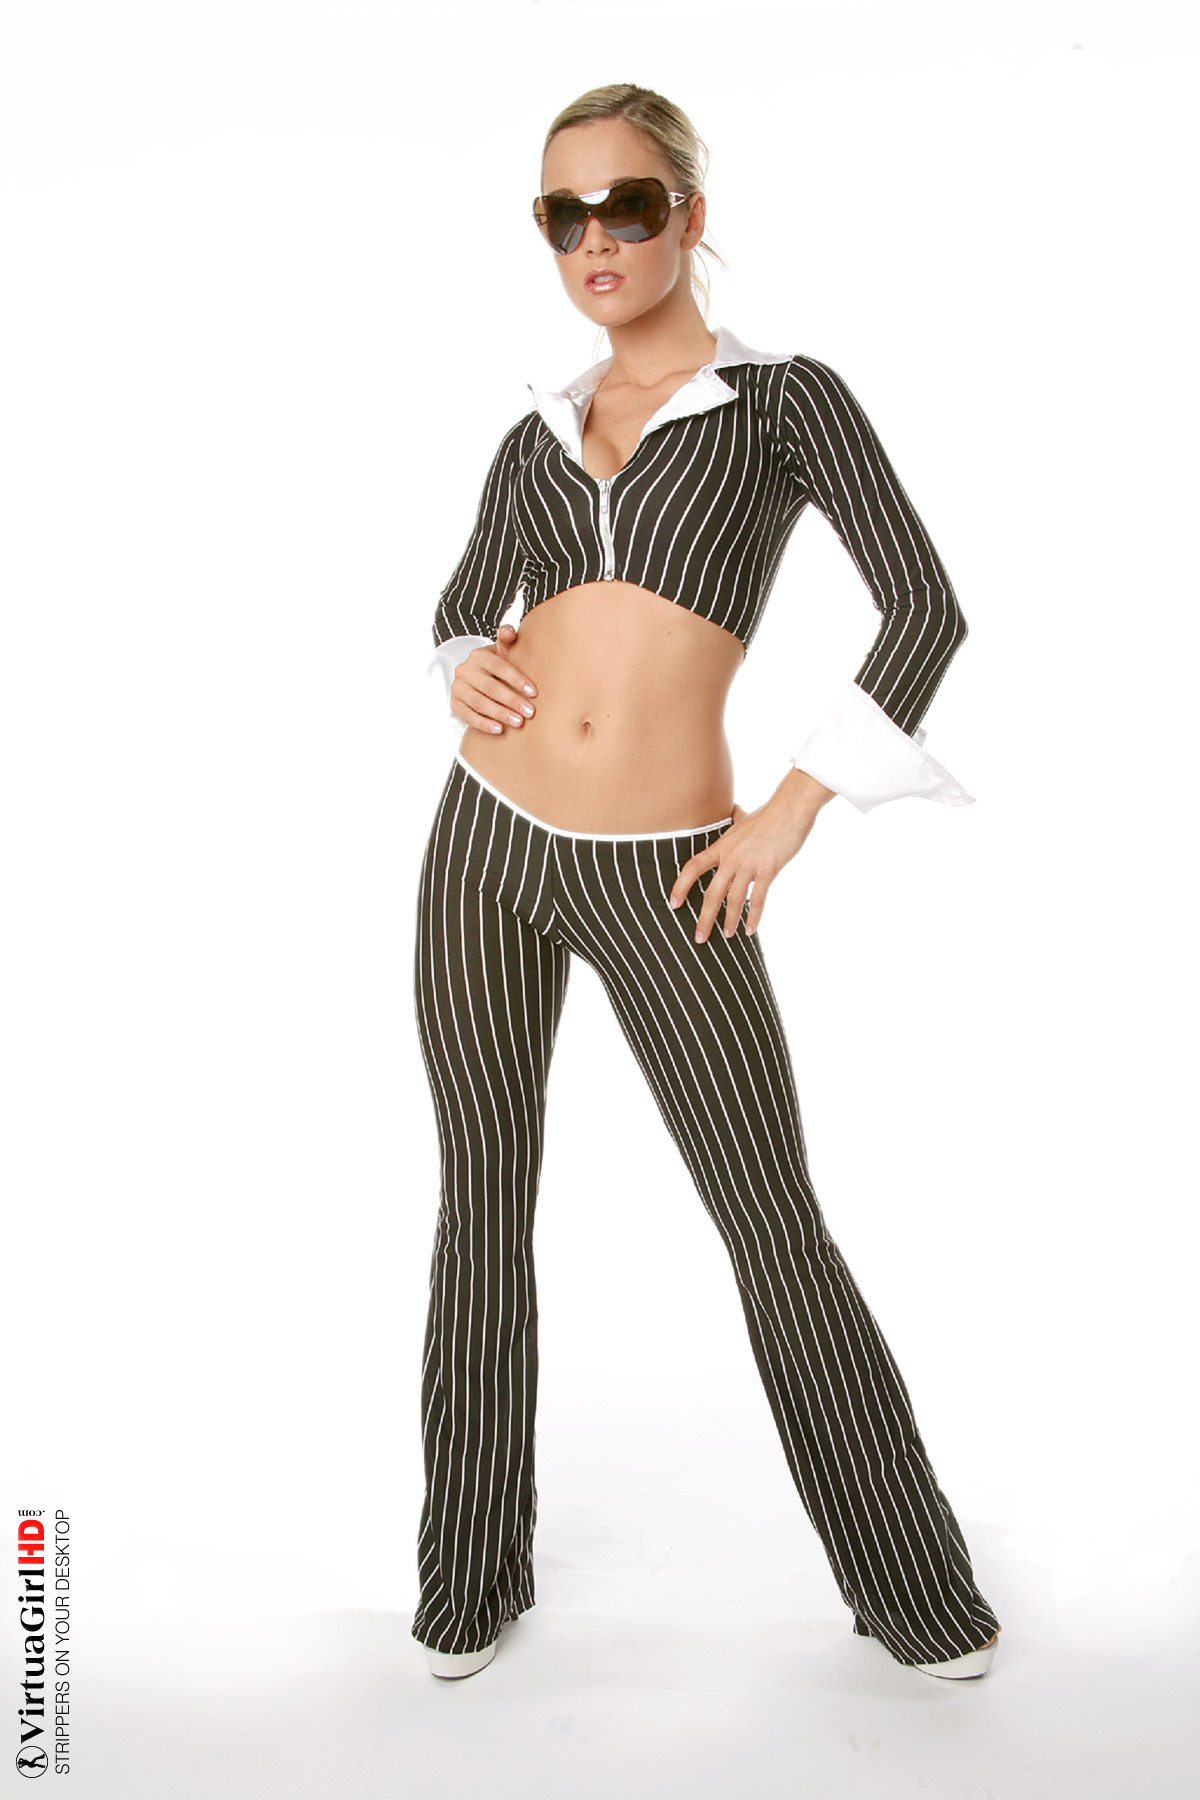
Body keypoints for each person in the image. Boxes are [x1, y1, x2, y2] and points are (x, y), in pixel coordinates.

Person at [411, 82, 1001, 1685]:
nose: (594, 240)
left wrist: (793, 809)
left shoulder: (783, 403)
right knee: (482, 1205)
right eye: (564, 215)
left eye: (627, 206)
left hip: (676, 873)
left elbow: (925, 609)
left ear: (689, 214)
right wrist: (465, 664)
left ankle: (917, 1593)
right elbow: (461, 606)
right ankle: (467, 1581)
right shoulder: (533, 431)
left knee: (770, 1221)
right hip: (486, 847)